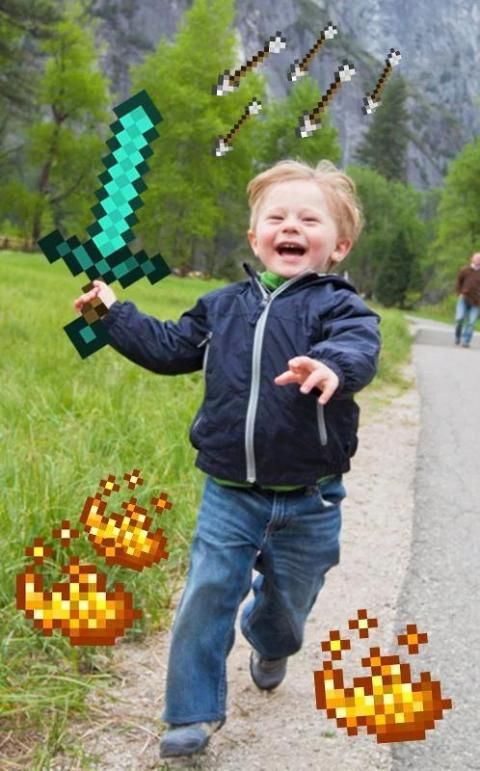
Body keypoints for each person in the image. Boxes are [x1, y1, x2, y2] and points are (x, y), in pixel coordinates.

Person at [74, 159, 381, 759]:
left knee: (288, 607)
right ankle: (190, 714)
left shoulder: (341, 308)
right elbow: (168, 348)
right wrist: (112, 313)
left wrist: (332, 366)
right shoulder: (221, 306)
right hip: (229, 491)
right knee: (208, 591)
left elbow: (358, 348)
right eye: (277, 218)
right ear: (255, 237)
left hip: (310, 497)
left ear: (339, 246)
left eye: (309, 220)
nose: (290, 227)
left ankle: (270, 640)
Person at [454, 252, 480, 347]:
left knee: (471, 322)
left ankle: (466, 341)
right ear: (472, 259)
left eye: (479, 259)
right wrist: (459, 293)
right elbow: (458, 282)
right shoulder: (464, 270)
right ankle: (457, 336)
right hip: (464, 298)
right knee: (459, 318)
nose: (478, 260)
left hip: (476, 301)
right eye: (477, 258)